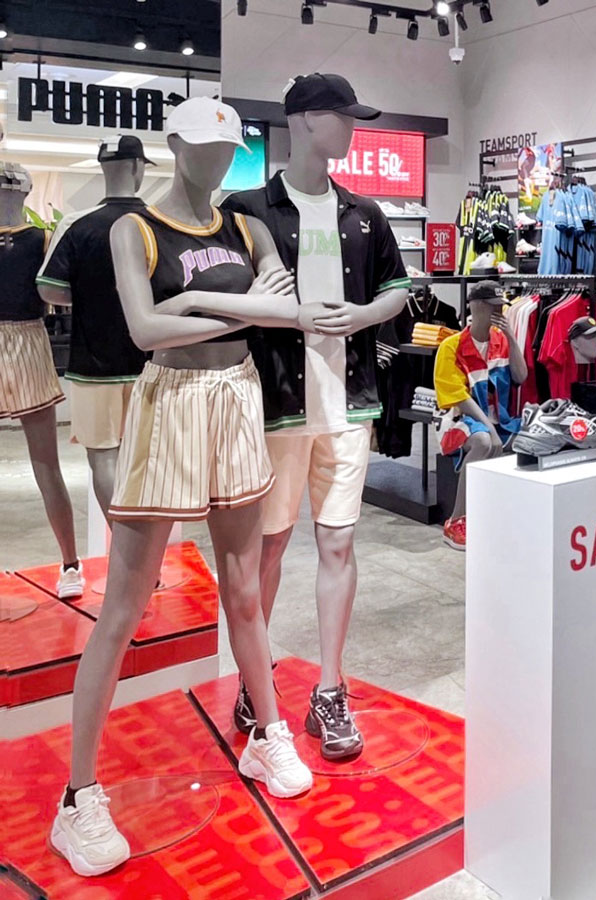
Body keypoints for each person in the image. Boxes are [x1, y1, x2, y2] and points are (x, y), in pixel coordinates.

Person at [51, 97, 320, 879]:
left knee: (244, 585)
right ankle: (77, 796)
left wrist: (196, 302)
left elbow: (288, 313)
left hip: (236, 396)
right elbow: (145, 331)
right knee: (124, 605)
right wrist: (238, 310)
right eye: (203, 145)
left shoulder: (246, 226)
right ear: (173, 143)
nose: (216, 159)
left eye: (227, 147)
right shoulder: (135, 228)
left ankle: (266, 734)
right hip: (168, 400)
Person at [221, 73, 411, 761]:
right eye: (342, 116)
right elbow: (225, 301)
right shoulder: (246, 209)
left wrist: (363, 316)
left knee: (338, 544)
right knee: (268, 547)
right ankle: (256, 677)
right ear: (303, 119)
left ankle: (330, 688)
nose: (352, 129)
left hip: (347, 402)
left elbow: (396, 291)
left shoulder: (365, 212)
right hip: (276, 404)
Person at [37, 136, 153, 517]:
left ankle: (123, 539)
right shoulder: (158, 222)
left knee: (104, 457)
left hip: (94, 364)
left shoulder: (76, 224)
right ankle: (146, 541)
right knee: (149, 458)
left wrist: (89, 296)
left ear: (103, 168)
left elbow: (49, 289)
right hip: (154, 363)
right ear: (137, 167)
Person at [0, 162, 81, 598]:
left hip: (30, 341)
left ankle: (70, 562)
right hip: (29, 340)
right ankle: (70, 563)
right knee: (47, 465)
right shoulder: (44, 238)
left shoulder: (44, 239)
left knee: (46, 464)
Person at [434, 280, 527, 550]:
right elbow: (458, 399)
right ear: (477, 307)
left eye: (500, 307)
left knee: (537, 440)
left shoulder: (501, 341)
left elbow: (521, 376)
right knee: (484, 441)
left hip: (500, 420)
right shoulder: (451, 346)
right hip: (457, 421)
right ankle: (456, 521)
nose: (498, 312)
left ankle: (506, 515)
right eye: (492, 306)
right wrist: (489, 428)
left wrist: (511, 337)